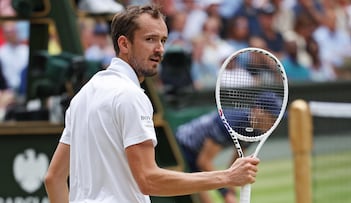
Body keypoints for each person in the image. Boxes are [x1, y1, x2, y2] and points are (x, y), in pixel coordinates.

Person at [44, 4, 259, 203]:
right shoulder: (130, 96)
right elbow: (148, 180)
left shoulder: (83, 96)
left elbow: (53, 178)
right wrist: (227, 177)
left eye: (163, 40)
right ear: (124, 43)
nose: (160, 49)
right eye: (150, 39)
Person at [175, 92, 281, 203]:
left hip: (196, 151)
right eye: (272, 117)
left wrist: (231, 186)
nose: (274, 123)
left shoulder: (254, 131)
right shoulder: (230, 124)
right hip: (182, 147)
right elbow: (204, 161)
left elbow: (238, 160)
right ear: (258, 111)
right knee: (201, 190)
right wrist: (226, 193)